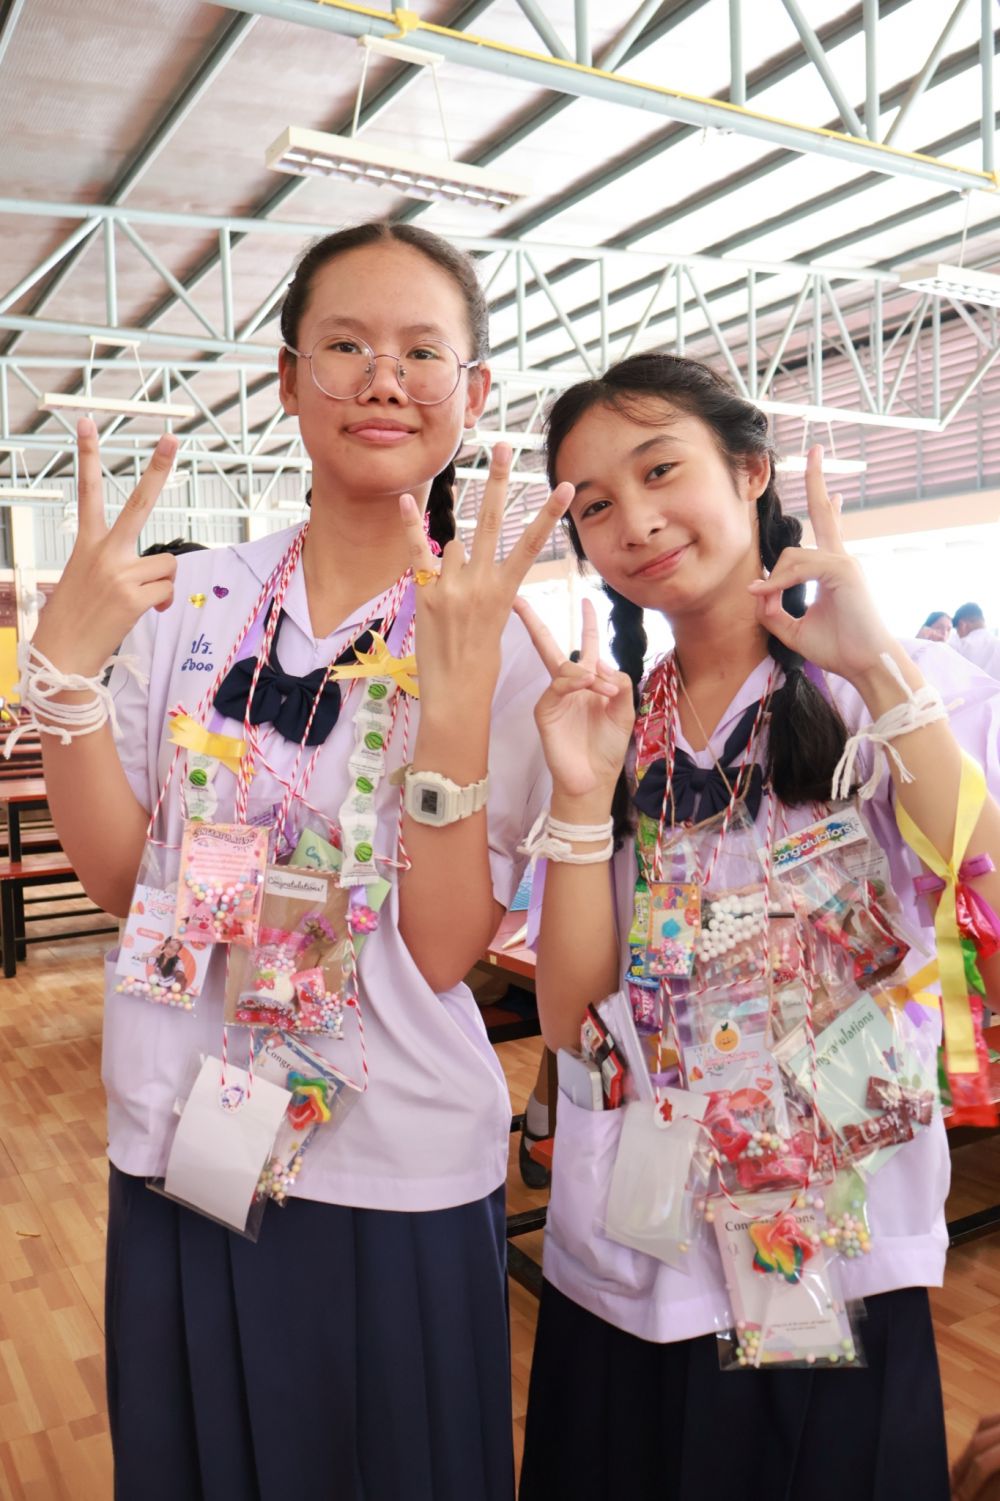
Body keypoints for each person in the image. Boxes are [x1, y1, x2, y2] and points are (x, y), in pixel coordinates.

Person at [26, 221, 571, 1501]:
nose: (384, 379)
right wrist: (65, 675)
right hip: (187, 1132)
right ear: (285, 378)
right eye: (345, 346)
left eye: (422, 352)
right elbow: (122, 883)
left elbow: (444, 950)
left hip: (397, 1154)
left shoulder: (502, 640)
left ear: (473, 392)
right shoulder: (191, 600)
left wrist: (452, 711)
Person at [512, 353, 1000, 1501]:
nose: (634, 522)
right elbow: (571, 1019)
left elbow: (980, 871)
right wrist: (578, 797)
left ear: (750, 471)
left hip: (829, 1243)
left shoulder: (879, 686)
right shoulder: (615, 729)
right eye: (594, 505)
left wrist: (877, 666)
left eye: (658, 470)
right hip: (641, 1240)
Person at [953, 602, 1000, 679]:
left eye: (957, 630)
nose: (958, 634)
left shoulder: (959, 645)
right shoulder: (997, 643)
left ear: (962, 625)